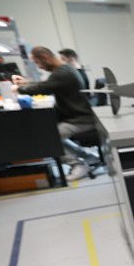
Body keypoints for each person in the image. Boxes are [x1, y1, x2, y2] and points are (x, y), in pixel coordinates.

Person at [12, 46, 97, 181]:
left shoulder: (62, 73)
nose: (39, 67)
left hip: (81, 119)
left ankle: (78, 165)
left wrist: (19, 89)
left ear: (45, 58)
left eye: (38, 63)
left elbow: (44, 87)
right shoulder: (64, 69)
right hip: (77, 117)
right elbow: (48, 84)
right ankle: (87, 156)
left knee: (49, 138)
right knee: (51, 132)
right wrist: (28, 83)